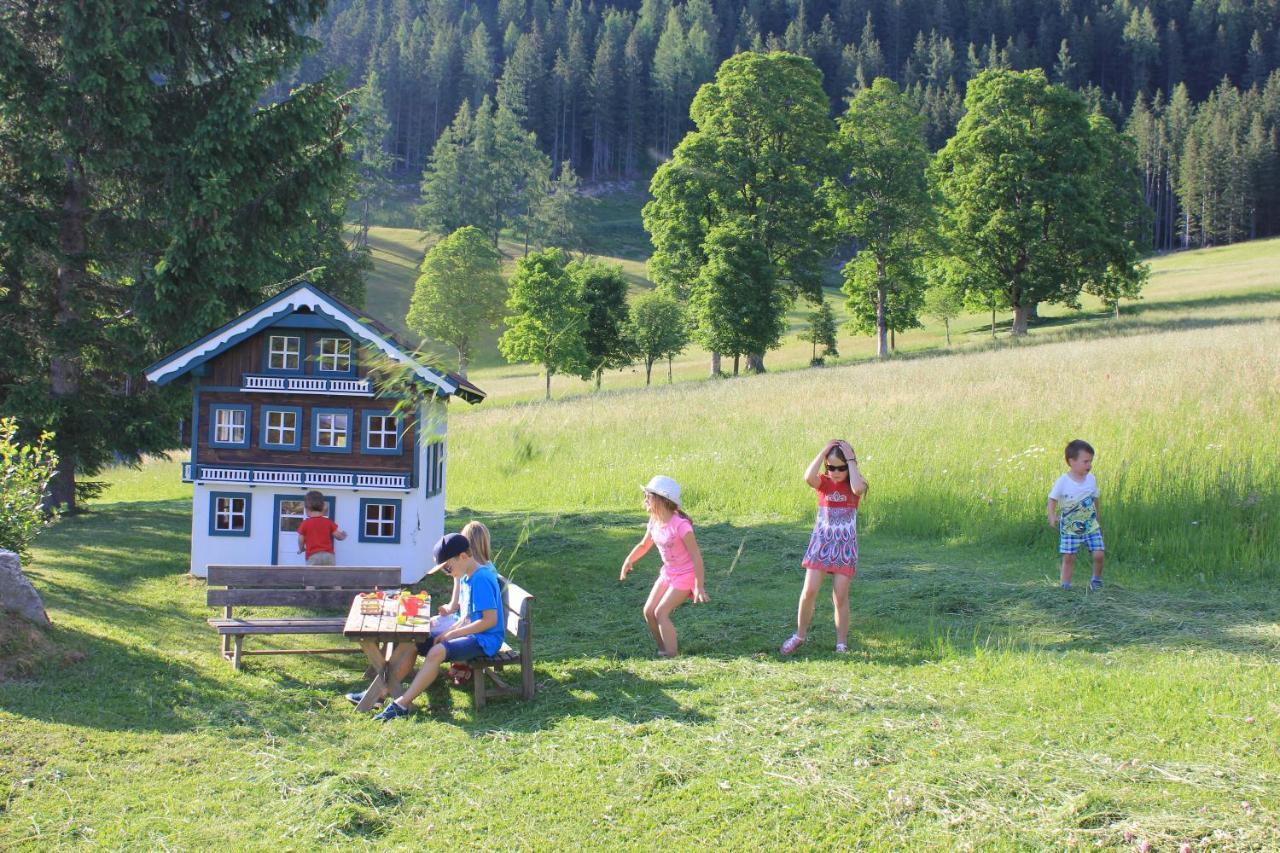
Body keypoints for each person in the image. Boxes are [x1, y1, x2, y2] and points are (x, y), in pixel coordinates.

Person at [371, 533, 506, 721]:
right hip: (473, 634)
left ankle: (401, 704)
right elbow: (466, 617)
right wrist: (449, 632)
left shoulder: (481, 579)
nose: (448, 573)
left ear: (463, 556)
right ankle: (379, 694)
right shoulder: (468, 577)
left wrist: (453, 634)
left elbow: (489, 621)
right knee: (413, 642)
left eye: (448, 567)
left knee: (436, 652)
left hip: (485, 640)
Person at [781, 439, 868, 656]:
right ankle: (799, 635)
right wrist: (823, 452)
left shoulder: (855, 484)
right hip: (821, 546)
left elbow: (858, 489)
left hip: (844, 549)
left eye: (841, 467)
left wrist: (851, 460)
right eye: (831, 467)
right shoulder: (824, 483)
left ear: (848, 466)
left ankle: (841, 643)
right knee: (809, 591)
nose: (836, 472)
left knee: (839, 596)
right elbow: (807, 477)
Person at [619, 475, 709, 658]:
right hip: (668, 573)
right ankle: (662, 648)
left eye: (648, 496)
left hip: (685, 575)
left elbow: (696, 557)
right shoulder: (654, 520)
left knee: (661, 611)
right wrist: (629, 560)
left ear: (662, 500)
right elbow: (644, 544)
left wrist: (698, 586)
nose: (645, 500)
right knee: (648, 611)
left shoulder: (681, 526)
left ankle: (671, 653)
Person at [1048, 439, 1104, 590]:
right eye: (1085, 461)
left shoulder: (1091, 480)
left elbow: (1095, 498)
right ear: (1072, 462)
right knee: (1069, 556)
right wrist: (1052, 515)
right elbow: (1052, 499)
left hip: (1091, 525)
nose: (1089, 465)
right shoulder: (1063, 481)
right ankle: (1065, 584)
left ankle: (1096, 580)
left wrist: (1097, 515)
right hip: (1070, 526)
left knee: (1099, 554)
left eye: (1091, 461)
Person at [295, 490, 346, 566]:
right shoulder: (328, 522)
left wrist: (301, 548)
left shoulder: (305, 524)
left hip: (313, 556)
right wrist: (342, 536)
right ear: (322, 507)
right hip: (328, 555)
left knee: (312, 576)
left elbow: (300, 539)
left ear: (306, 508)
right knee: (330, 575)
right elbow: (338, 536)